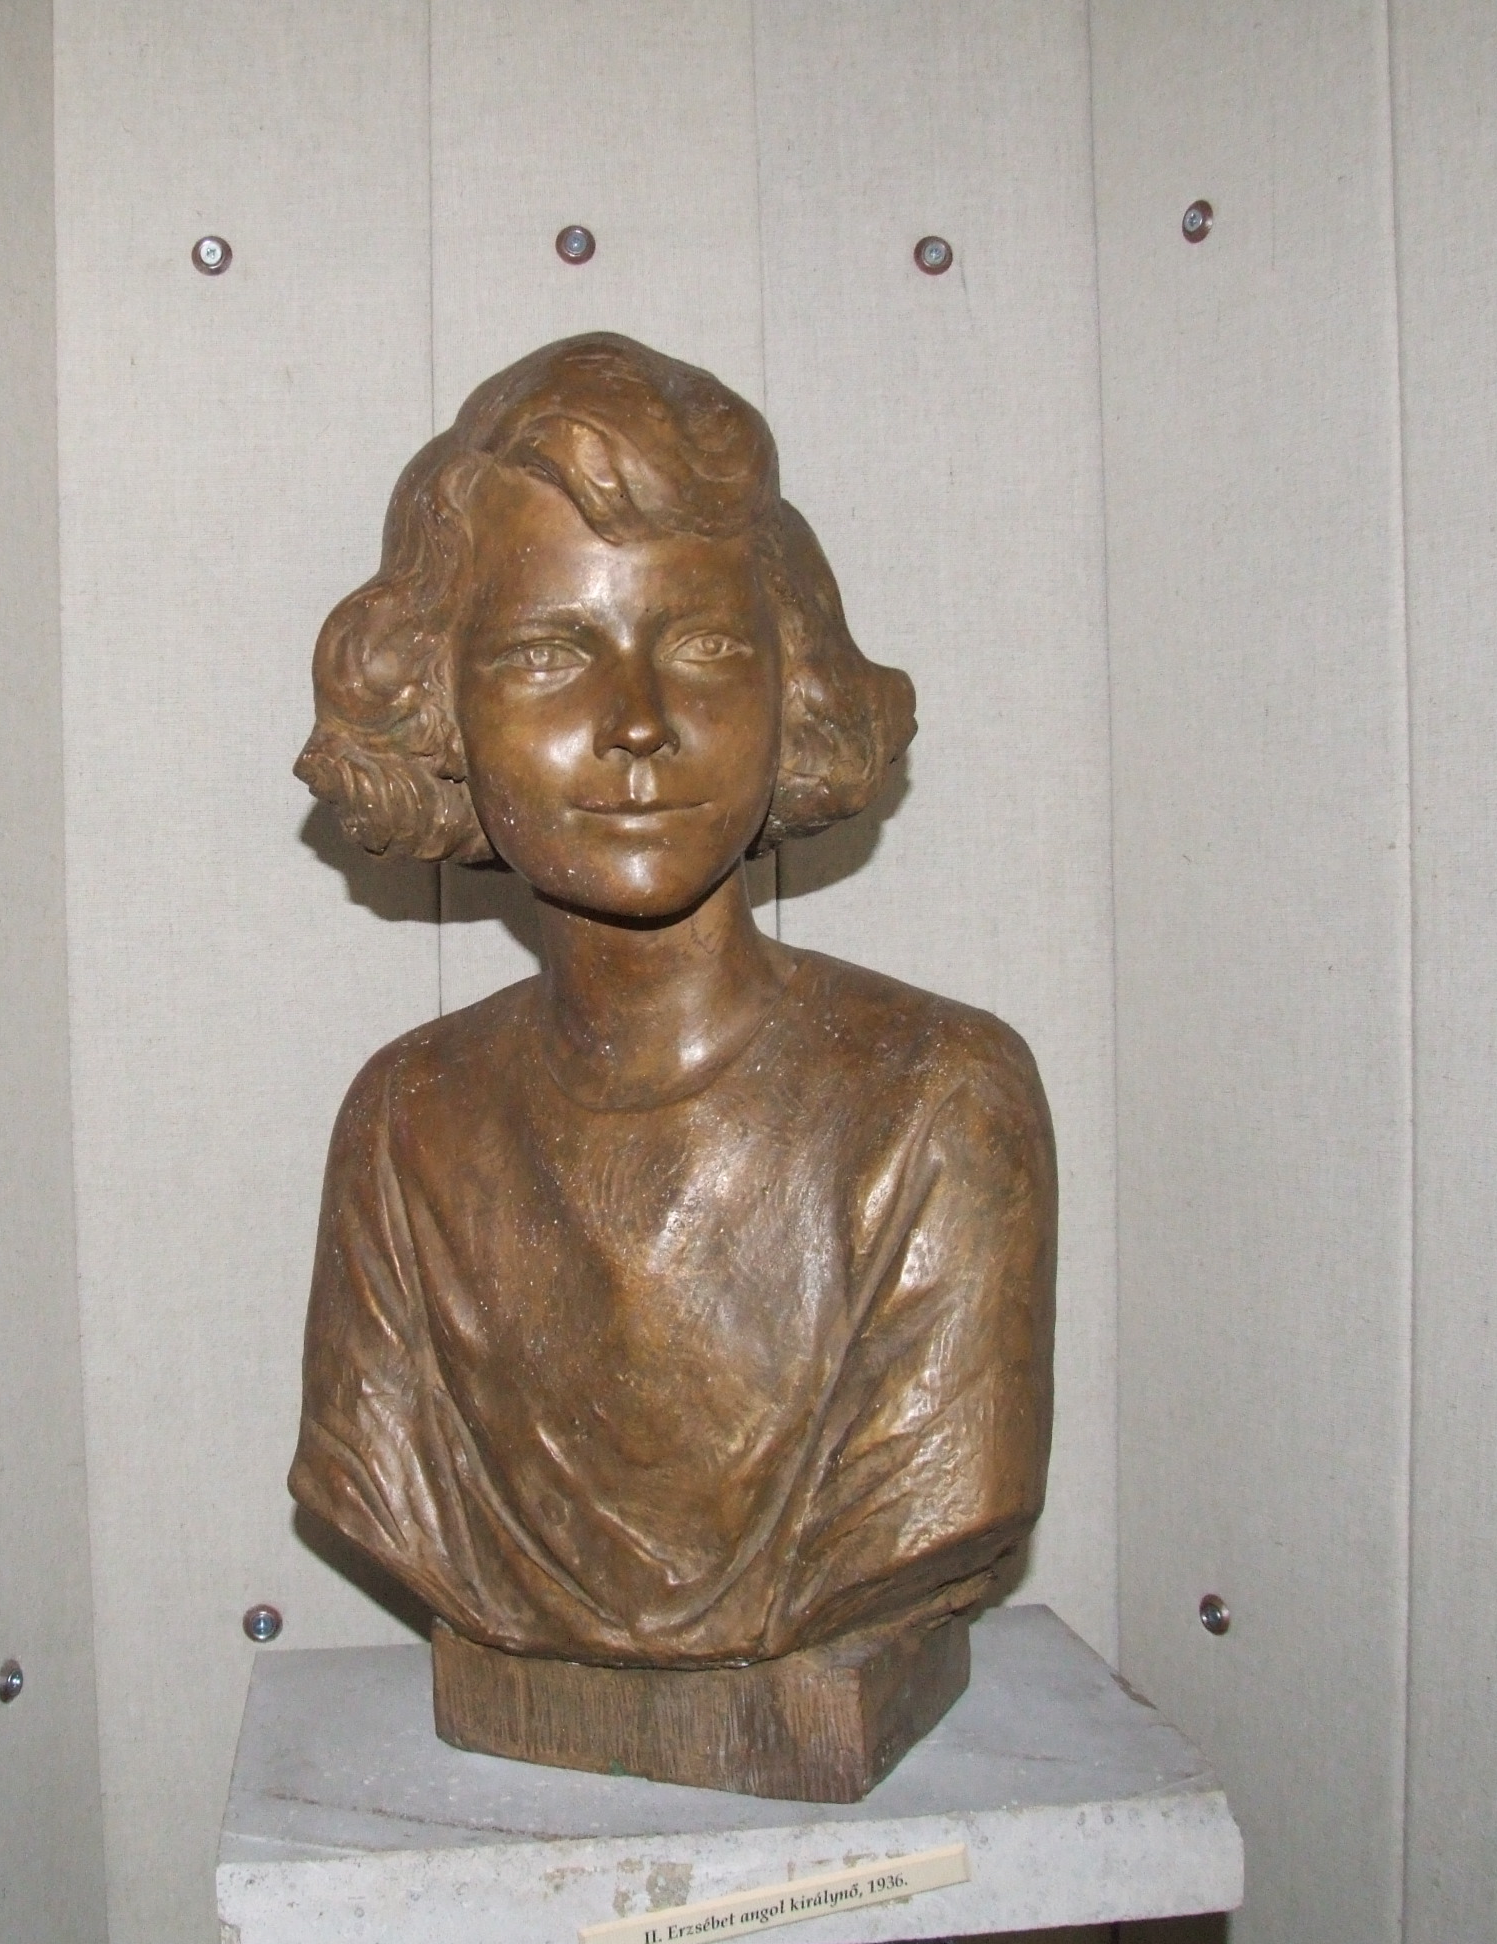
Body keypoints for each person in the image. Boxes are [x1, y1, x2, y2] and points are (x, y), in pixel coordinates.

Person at [289, 333, 1055, 1668]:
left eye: (701, 644)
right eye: (548, 652)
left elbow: (940, 1492)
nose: (637, 722)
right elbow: (373, 1470)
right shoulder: (406, 1126)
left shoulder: (939, 1109)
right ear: (437, 706)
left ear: (792, 684)